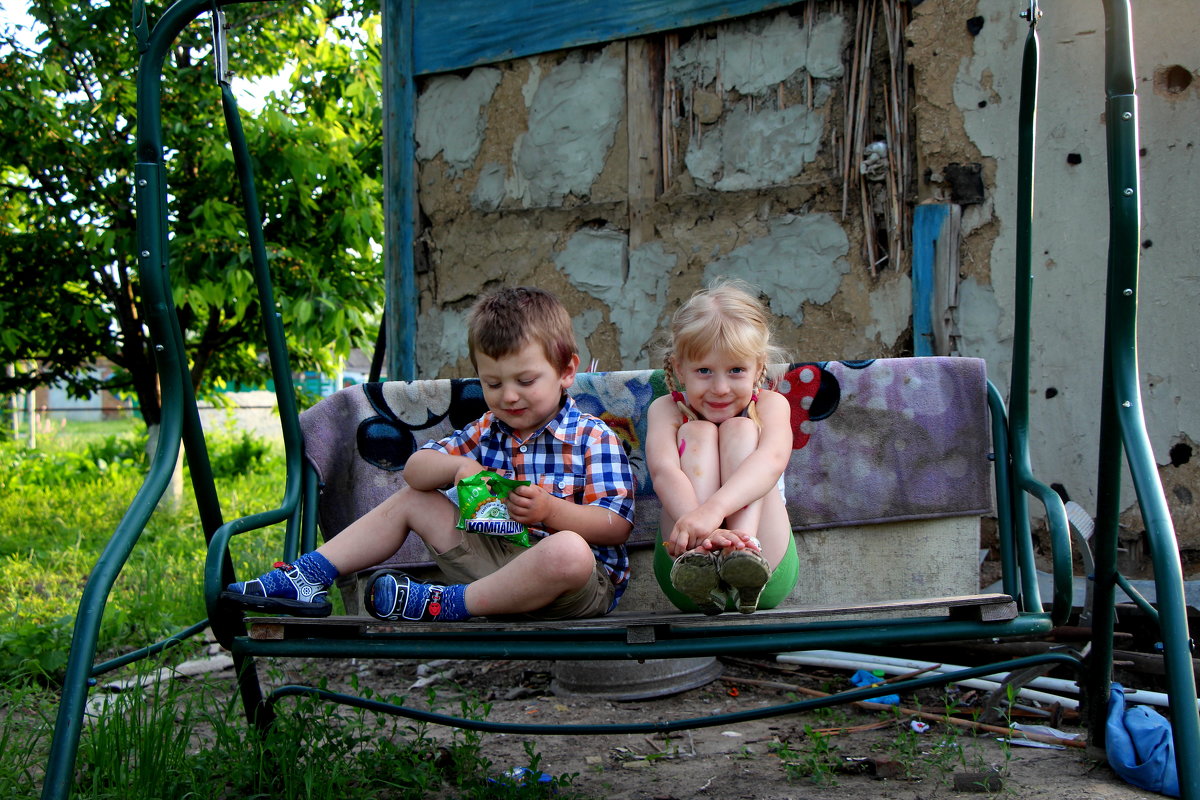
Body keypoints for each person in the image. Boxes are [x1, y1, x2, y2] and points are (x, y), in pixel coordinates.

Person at [221, 286, 635, 622]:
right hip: (494, 563)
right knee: (416, 499)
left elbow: (616, 526)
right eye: (492, 384)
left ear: (566, 372)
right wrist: (458, 467)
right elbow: (415, 471)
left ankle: (447, 605)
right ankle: (308, 576)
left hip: (574, 586)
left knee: (568, 550)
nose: (508, 396)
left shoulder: (591, 436)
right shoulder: (487, 430)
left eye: (526, 381)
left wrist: (550, 512)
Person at [646, 279, 798, 615]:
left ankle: (742, 553)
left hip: (767, 568)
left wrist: (713, 512)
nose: (720, 388)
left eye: (736, 371)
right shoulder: (665, 409)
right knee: (697, 433)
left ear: (759, 367)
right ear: (679, 368)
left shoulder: (772, 404)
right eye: (703, 370)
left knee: (742, 429)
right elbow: (663, 471)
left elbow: (772, 460)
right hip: (684, 573)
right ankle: (702, 557)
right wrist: (702, 528)